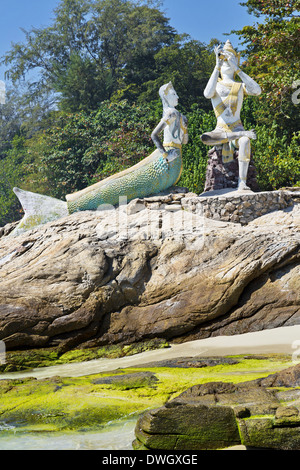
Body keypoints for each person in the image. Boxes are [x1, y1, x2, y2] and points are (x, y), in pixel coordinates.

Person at [11, 82, 188, 235]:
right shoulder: (170, 113)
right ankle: (68, 207)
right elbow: (154, 135)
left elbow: (184, 140)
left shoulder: (178, 115)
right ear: (166, 96)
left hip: (174, 163)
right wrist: (165, 155)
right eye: (174, 93)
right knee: (120, 185)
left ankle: (67, 206)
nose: (177, 96)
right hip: (167, 161)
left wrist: (184, 128)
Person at [201, 40, 261, 191]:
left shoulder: (239, 86)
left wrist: (238, 69)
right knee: (206, 137)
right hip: (219, 130)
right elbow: (207, 94)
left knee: (245, 140)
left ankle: (242, 182)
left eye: (230, 58)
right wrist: (217, 66)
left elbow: (257, 91)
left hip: (236, 127)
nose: (226, 61)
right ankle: (239, 134)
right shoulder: (217, 84)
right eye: (224, 58)